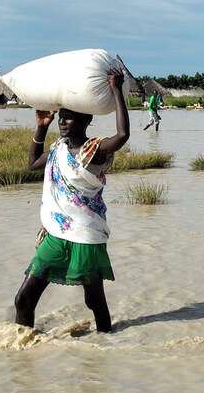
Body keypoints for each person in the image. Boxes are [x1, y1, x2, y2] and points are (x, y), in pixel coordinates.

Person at [13, 69, 129, 334]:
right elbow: (32, 164)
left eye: (69, 119)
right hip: (55, 234)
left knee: (94, 301)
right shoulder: (58, 149)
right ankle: (21, 359)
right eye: (61, 118)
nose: (63, 123)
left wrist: (116, 89)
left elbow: (122, 136)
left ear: (86, 121)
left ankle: (105, 343)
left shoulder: (93, 151)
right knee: (23, 300)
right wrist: (41, 127)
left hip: (86, 236)